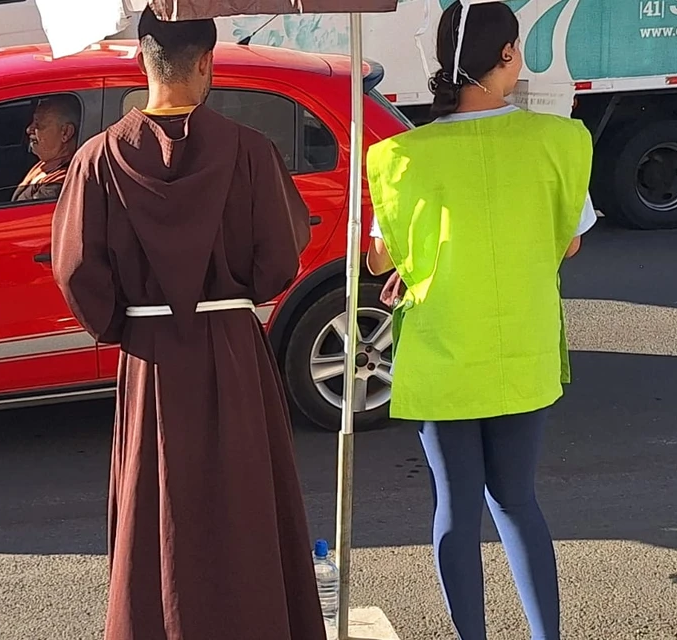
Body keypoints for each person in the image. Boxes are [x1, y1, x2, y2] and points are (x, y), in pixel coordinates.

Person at [50, 9, 324, 640]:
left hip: (150, 356)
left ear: (140, 60)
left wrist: (122, 322)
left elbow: (77, 270)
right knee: (245, 505)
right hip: (231, 347)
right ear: (207, 61)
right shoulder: (250, 150)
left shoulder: (97, 159)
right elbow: (278, 260)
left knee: (159, 508)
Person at [364, 3, 596, 640]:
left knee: (456, 507)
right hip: (522, 344)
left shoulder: (401, 156)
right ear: (507, 55)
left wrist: (416, 261)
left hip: (441, 351)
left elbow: (380, 257)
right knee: (517, 499)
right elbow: (570, 241)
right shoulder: (559, 141)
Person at [13, 96, 79, 202]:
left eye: (38, 124)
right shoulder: (49, 163)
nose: (29, 129)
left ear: (66, 132)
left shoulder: (58, 184)